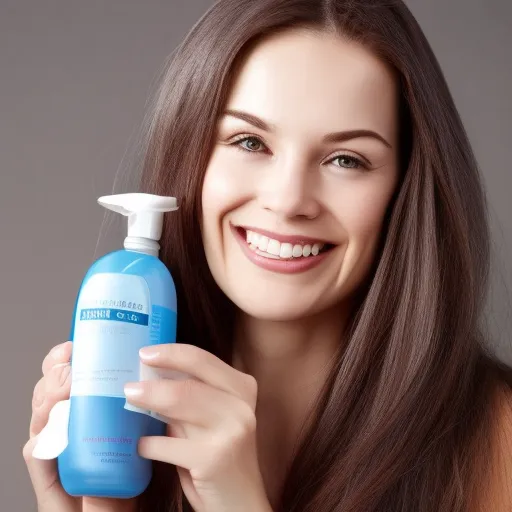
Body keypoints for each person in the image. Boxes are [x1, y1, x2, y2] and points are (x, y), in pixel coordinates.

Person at [23, 0, 512, 511]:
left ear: (405, 188)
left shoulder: (497, 444)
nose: (287, 200)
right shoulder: (121, 438)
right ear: (190, 153)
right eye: (250, 142)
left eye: (346, 159)